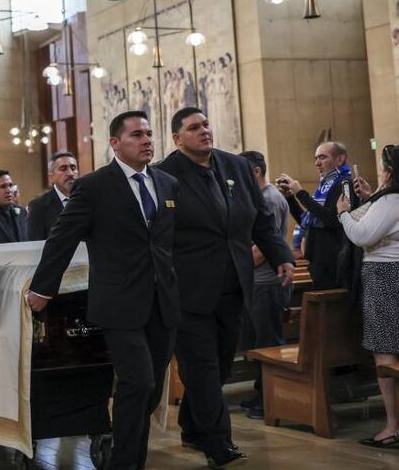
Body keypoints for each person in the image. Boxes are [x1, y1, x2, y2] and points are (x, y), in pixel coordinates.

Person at [27, 111, 180, 470]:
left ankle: (128, 455)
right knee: (137, 382)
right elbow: (61, 239)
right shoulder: (95, 186)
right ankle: (125, 463)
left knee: (152, 390)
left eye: (148, 134)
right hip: (119, 302)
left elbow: (174, 241)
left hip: (163, 301)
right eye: (136, 135)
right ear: (115, 143)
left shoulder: (167, 183)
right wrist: (43, 289)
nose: (146, 141)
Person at [155, 108, 294, 468]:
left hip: (234, 284)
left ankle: (191, 425)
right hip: (188, 290)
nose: (204, 131)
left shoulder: (236, 168)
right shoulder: (163, 176)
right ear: (177, 138)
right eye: (193, 128)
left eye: (205, 125)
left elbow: (262, 221)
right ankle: (220, 445)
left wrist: (282, 255)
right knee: (201, 368)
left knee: (219, 365)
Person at [337, 144, 399, 449]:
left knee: (384, 352)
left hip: (385, 277)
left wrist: (343, 214)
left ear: (390, 170)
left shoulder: (391, 200)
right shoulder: (387, 199)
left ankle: (392, 427)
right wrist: (370, 196)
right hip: (391, 274)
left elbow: (362, 235)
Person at [238, 150, 291, 420]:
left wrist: (233, 264)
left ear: (256, 172)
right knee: (260, 341)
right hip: (260, 283)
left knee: (268, 342)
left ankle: (270, 399)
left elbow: (260, 252)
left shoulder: (269, 198)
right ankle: (261, 393)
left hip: (267, 283)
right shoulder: (262, 197)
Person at [276, 141, 358, 290]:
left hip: (334, 260)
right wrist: (290, 198)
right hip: (318, 259)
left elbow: (334, 220)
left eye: (322, 157)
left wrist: (301, 194)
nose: (317, 163)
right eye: (316, 158)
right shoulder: (324, 187)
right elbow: (306, 222)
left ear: (340, 159)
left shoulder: (346, 184)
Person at [26, 151, 79, 240]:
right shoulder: (38, 206)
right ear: (51, 177)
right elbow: (35, 243)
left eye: (73, 168)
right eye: (63, 168)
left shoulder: (87, 200)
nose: (70, 173)